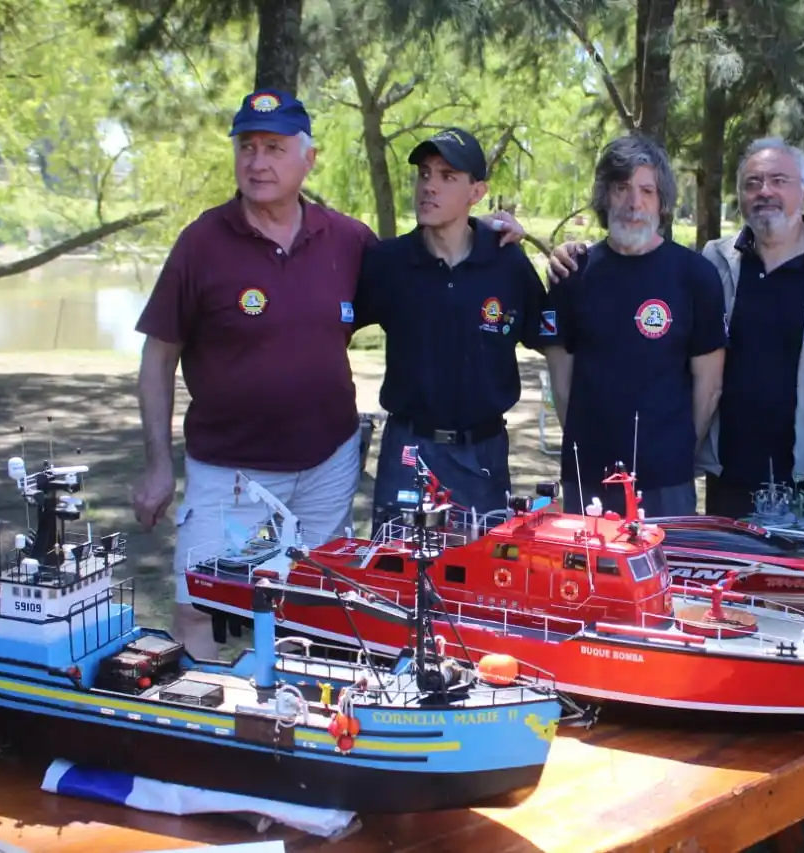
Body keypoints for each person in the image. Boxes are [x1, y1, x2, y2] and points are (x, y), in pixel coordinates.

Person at [131, 94, 523, 658]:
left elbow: (428, 259)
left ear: (308, 159)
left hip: (326, 469)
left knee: (317, 608)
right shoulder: (203, 243)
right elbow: (158, 355)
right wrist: (156, 465)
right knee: (200, 603)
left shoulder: (347, 241)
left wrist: (478, 229)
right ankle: (206, 706)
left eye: (274, 148)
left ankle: (293, 706)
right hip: (231, 471)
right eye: (247, 147)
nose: (257, 162)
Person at [550, 137, 804, 519]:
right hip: (731, 478)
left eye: (779, 180)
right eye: (753, 183)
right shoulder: (716, 262)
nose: (764, 191)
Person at [354, 128, 553, 528]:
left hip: (482, 455)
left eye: (447, 176)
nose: (429, 186)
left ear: (476, 192)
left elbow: (554, 342)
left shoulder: (507, 264)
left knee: (478, 566)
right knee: (394, 564)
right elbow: (330, 329)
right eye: (424, 174)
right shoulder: (388, 263)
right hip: (407, 450)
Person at [541, 134, 726, 517]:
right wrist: (587, 444)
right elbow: (561, 383)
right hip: (586, 476)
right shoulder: (572, 274)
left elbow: (709, 387)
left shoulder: (696, 277)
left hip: (667, 482)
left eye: (647, 190)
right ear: (604, 196)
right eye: (621, 188)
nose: (634, 203)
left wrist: (677, 452)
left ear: (662, 202)